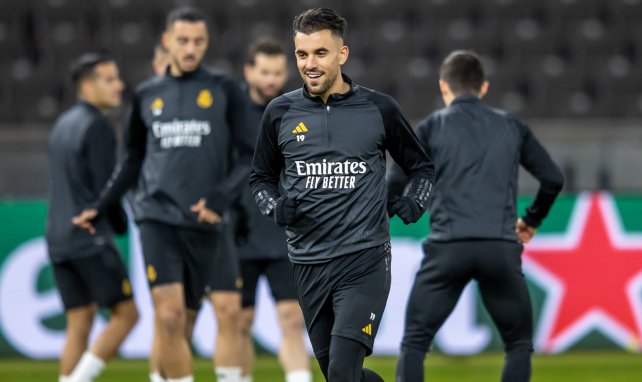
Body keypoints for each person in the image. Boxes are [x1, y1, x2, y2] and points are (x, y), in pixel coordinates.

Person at [250, 8, 434, 382]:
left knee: (342, 369)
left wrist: (415, 201)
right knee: (340, 375)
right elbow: (260, 179)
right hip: (307, 263)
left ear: (342, 54)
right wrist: (274, 207)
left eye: (320, 53)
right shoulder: (279, 112)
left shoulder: (379, 108)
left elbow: (422, 167)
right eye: (302, 54)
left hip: (364, 259)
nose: (310, 64)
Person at [73, 7, 253, 382]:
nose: (191, 48)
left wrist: (220, 200)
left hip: (205, 222)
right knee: (167, 315)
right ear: (167, 41)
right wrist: (101, 206)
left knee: (187, 319)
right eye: (183, 40)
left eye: (199, 41)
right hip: (156, 216)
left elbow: (249, 156)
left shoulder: (224, 89)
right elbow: (132, 160)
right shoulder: (146, 94)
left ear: (206, 43)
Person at [391, 50, 564, 382]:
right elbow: (553, 178)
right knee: (518, 345)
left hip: (447, 248)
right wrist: (531, 220)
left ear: (444, 87)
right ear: (483, 87)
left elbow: (396, 182)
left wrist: (405, 210)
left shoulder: (429, 128)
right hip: (498, 247)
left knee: (415, 342)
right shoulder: (511, 125)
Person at [46, 53, 139, 382]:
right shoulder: (97, 125)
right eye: (109, 79)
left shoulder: (63, 123)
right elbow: (106, 189)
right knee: (127, 315)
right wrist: (119, 223)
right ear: (87, 86)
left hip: (58, 237)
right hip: (89, 236)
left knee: (79, 320)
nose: (119, 85)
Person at [232, 37, 311, 382]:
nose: (271, 79)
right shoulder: (229, 114)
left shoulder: (296, 110)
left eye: (278, 72)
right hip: (238, 231)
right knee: (239, 322)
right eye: (264, 72)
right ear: (249, 71)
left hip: (283, 232)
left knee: (293, 319)